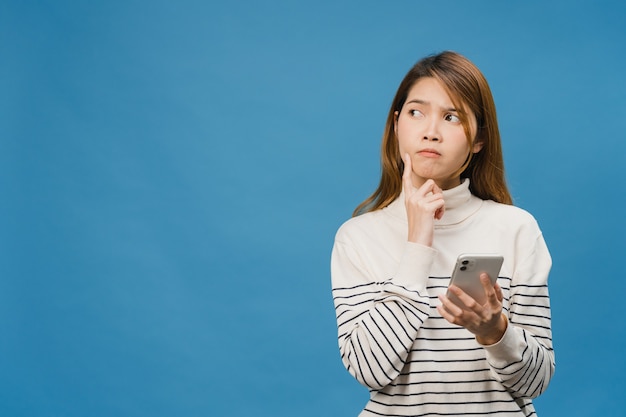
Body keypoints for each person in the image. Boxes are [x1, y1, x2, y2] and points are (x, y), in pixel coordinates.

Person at [330, 51, 554, 416]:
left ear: (479, 139)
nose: (430, 131)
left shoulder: (516, 229)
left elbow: (536, 381)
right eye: (416, 112)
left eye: (452, 117)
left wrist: (495, 331)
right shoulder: (357, 238)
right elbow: (370, 370)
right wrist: (418, 244)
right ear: (396, 123)